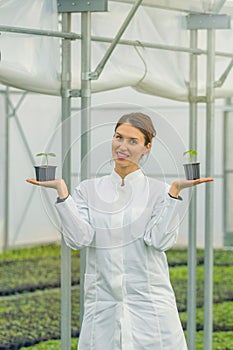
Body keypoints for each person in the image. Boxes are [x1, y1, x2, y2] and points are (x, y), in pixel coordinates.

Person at [27, 112, 213, 350]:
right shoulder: (89, 190)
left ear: (147, 147)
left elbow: (159, 241)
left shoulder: (160, 191)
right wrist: (62, 193)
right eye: (118, 137)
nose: (122, 146)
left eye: (132, 141)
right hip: (104, 303)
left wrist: (174, 194)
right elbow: (79, 239)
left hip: (149, 303)